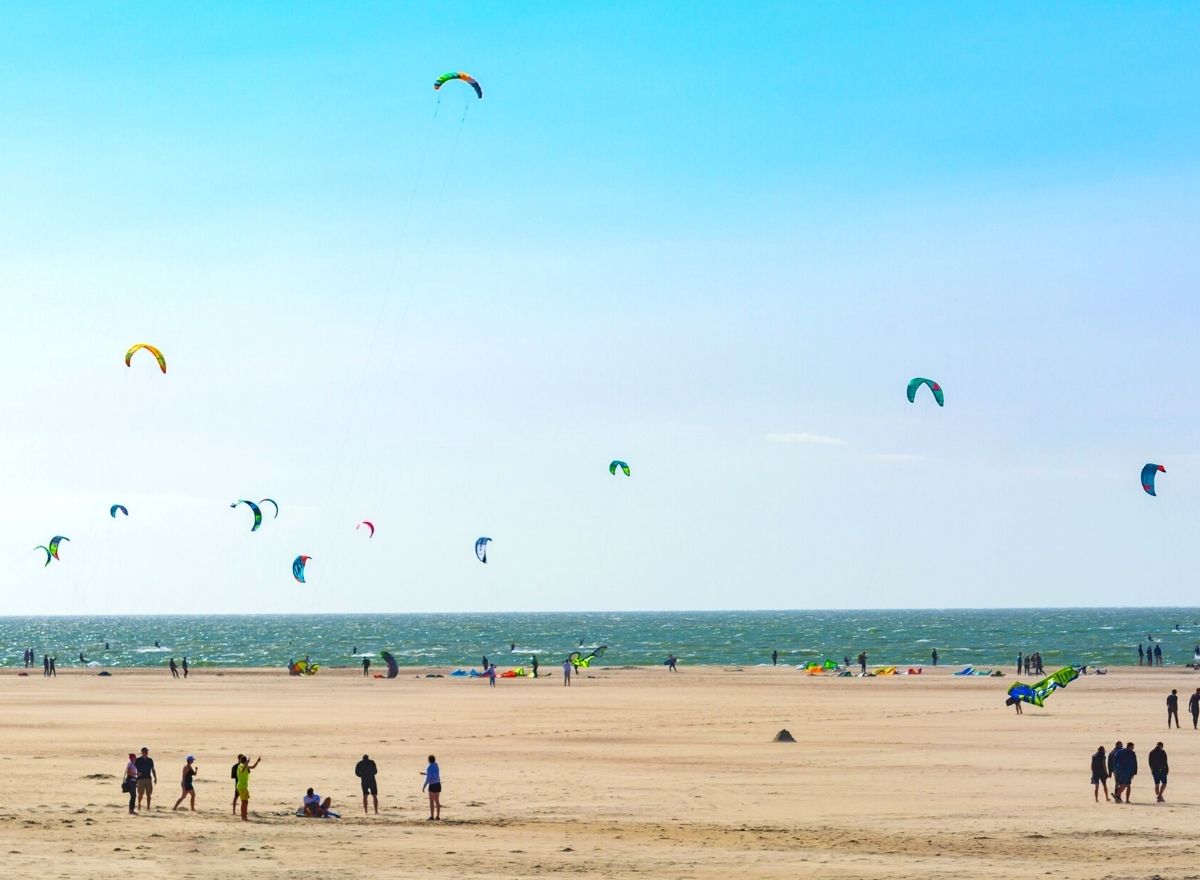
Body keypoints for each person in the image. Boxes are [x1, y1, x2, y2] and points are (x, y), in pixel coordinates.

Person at [235, 755, 260, 821]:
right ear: (245, 761)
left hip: (244, 786)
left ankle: (244, 816)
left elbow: (253, 767)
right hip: (241, 786)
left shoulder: (244, 766)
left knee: (245, 802)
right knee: (244, 802)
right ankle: (243, 817)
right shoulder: (241, 766)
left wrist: (257, 761)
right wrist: (246, 763)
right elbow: (242, 770)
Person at [134, 747, 156, 811]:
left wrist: (155, 777)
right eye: (145, 751)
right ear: (142, 752)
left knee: (149, 794)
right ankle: (139, 804)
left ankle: (148, 807)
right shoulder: (138, 760)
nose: (146, 752)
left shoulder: (150, 760)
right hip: (140, 779)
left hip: (148, 778)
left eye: (147, 751)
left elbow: (153, 769)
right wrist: (136, 774)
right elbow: (133, 767)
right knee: (140, 794)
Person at [421, 755, 441, 820]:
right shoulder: (436, 765)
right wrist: (425, 773)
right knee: (437, 801)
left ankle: (432, 816)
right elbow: (433, 774)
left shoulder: (429, 767)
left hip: (432, 785)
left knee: (431, 801)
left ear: (429, 760)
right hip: (438, 784)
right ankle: (438, 816)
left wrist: (424, 786)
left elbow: (428, 779)